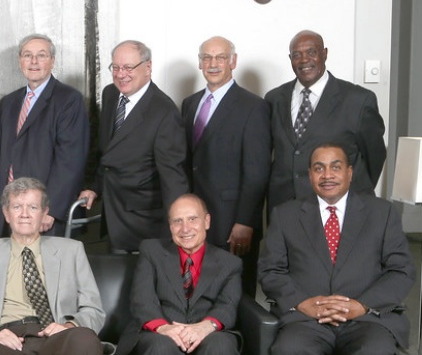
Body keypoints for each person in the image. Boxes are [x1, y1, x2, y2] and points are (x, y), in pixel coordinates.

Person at [259, 143, 416, 355]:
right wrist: (304, 304)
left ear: (349, 173)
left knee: (375, 351)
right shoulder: (285, 215)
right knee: (290, 349)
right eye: (319, 168)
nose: (327, 175)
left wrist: (361, 305)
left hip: (367, 318)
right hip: (306, 320)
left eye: (335, 167)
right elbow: (270, 271)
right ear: (310, 174)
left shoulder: (382, 213)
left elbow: (401, 270)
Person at [0, 177, 104, 355]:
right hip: (8, 342)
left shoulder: (71, 250)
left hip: (55, 337)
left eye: (33, 207)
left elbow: (93, 309)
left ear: (44, 213)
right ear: (6, 213)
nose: (24, 214)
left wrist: (68, 327)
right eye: (17, 207)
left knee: (84, 338)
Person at [179, 36, 270, 296]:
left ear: (233, 62)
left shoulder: (254, 107)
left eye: (220, 57)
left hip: (232, 221)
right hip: (194, 219)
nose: (213, 63)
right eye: (207, 57)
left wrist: (245, 221)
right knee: (195, 290)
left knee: (233, 293)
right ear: (200, 63)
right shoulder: (190, 104)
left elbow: (258, 171)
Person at [80, 40, 187, 252]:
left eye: (129, 67)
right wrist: (94, 187)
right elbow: (108, 152)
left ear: (148, 67)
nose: (121, 74)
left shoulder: (164, 112)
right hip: (111, 213)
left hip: (144, 223)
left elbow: (173, 177)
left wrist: (178, 227)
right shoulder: (111, 94)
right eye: (116, 67)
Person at [265, 30, 386, 212]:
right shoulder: (274, 99)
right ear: (290, 58)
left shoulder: (358, 100)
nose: (304, 60)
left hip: (340, 206)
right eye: (297, 55)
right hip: (285, 208)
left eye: (312, 52)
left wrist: (353, 187)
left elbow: (374, 155)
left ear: (325, 54)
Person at [115, 194, 241, 355]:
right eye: (177, 221)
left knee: (220, 345)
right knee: (161, 346)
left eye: (192, 219)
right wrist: (164, 328)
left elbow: (228, 305)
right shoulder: (151, 251)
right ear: (170, 226)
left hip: (207, 332)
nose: (185, 229)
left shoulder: (229, 263)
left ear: (207, 221)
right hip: (160, 332)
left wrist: (204, 327)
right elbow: (142, 298)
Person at [0, 34, 89, 237]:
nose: (34, 62)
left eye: (41, 55)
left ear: (52, 61)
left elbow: (70, 161)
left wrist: (50, 209)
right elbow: (0, 158)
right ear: (20, 61)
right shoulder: (8, 103)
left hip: (43, 214)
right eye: (28, 55)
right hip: (10, 210)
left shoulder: (69, 100)